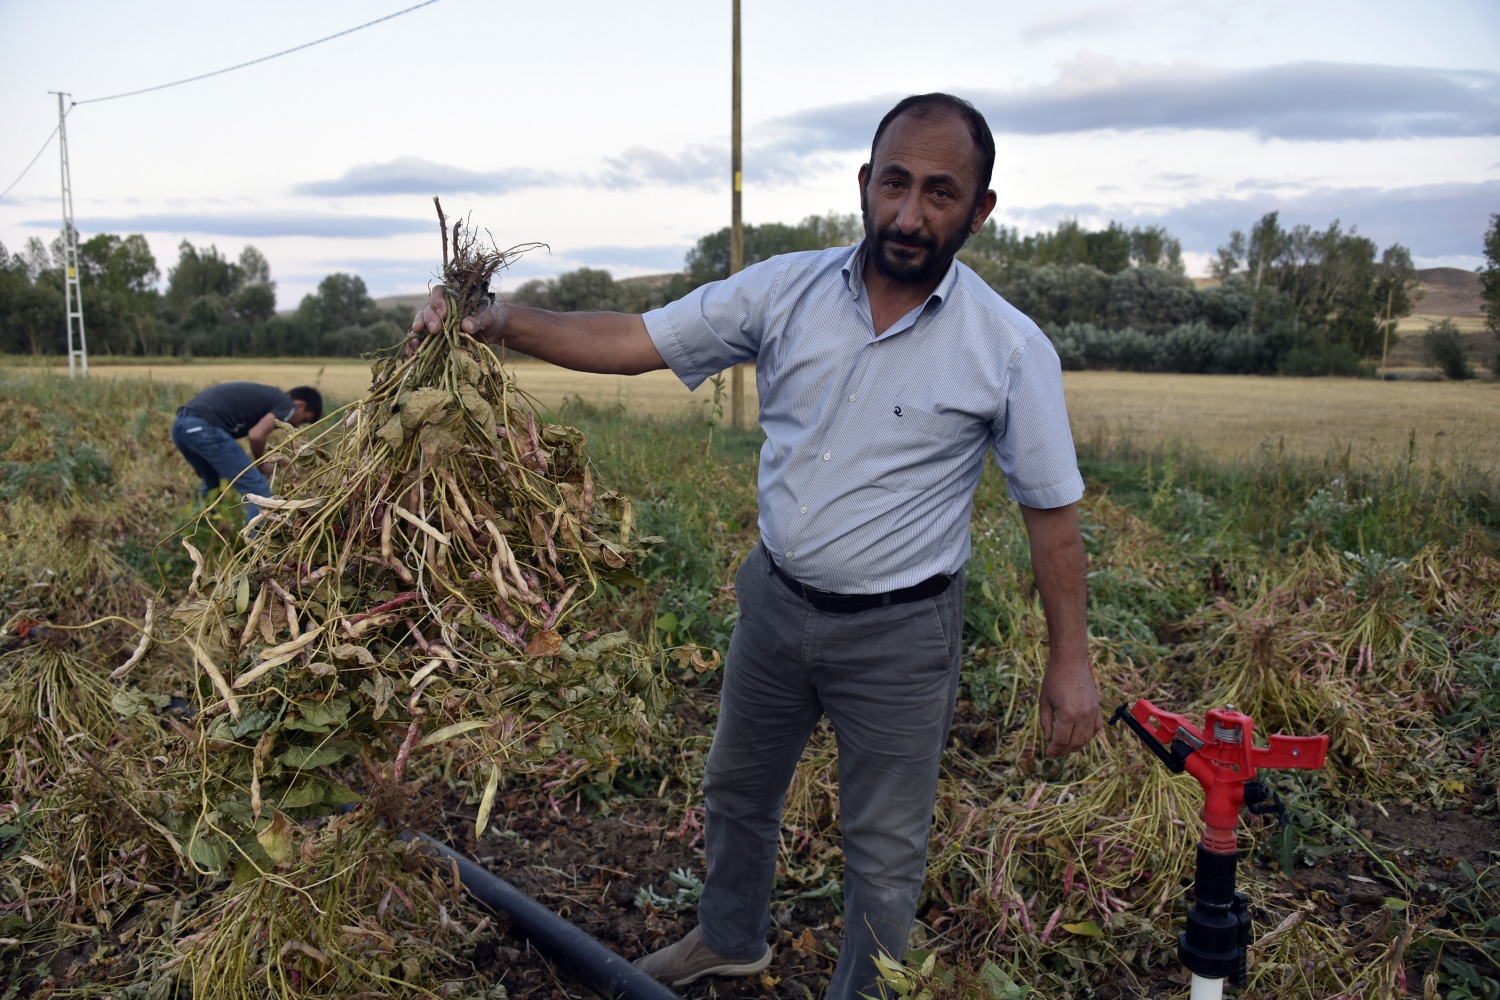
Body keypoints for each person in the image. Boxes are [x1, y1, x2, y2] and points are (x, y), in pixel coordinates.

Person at [412, 92, 1102, 1000]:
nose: (907, 213)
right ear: (863, 182)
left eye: (940, 193)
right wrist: (499, 321)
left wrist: (1071, 660)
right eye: (894, 182)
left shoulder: (1008, 348)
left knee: (884, 849)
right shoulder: (786, 289)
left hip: (901, 635)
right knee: (736, 791)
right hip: (774, 604)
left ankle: (862, 989)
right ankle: (730, 937)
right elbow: (634, 338)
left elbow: (1050, 512)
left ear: (980, 211)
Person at [170, 382, 322, 522]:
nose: (297, 424)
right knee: (257, 488)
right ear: (301, 405)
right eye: (303, 419)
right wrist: (263, 463)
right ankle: (258, 548)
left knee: (212, 484)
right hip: (203, 428)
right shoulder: (286, 404)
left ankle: (205, 533)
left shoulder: (271, 398)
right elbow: (256, 435)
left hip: (181, 427)